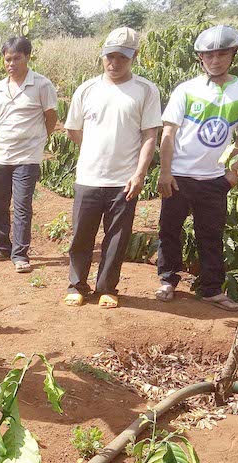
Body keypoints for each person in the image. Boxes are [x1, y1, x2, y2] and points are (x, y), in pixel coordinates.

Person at [155, 25, 238, 311]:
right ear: (200, 58)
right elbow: (168, 133)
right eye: (209, 55)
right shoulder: (186, 90)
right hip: (180, 176)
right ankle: (167, 280)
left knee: (210, 234)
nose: (215, 60)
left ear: (233, 54)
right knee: (169, 230)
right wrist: (165, 171)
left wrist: (233, 171)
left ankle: (212, 289)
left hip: (214, 178)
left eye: (222, 53)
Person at [63, 27, 162, 309]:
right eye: (109, 56)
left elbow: (149, 135)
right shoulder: (87, 89)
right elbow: (73, 130)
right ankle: (76, 285)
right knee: (82, 235)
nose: (114, 63)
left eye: (122, 57)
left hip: (124, 180)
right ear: (102, 55)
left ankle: (107, 287)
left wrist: (139, 173)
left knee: (117, 238)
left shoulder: (145, 90)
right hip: (89, 177)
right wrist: (95, 150)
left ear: (135, 57)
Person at [0, 36, 59, 274]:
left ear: (27, 57)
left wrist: (39, 140)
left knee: (22, 206)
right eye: (8, 59)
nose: (12, 64)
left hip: (27, 157)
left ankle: (20, 254)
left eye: (17, 58)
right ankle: (1, 247)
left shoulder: (42, 85)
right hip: (0, 154)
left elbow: (51, 117)